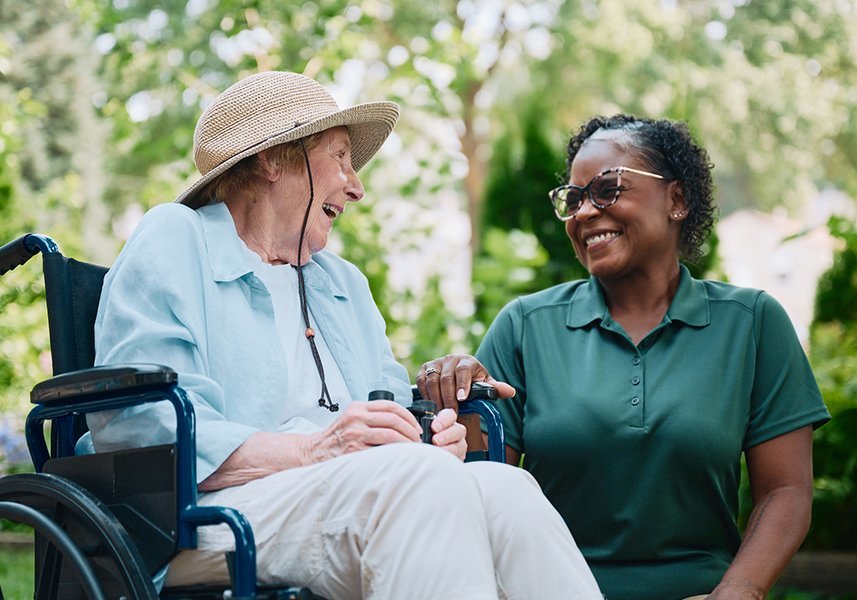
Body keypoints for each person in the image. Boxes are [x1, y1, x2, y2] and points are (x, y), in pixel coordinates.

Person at [87, 71, 602, 600]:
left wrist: (423, 437)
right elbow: (141, 425)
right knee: (417, 485)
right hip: (203, 528)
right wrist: (317, 449)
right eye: (340, 158)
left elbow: (386, 410)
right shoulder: (177, 238)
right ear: (273, 158)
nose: (356, 187)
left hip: (355, 499)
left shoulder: (341, 283)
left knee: (507, 490)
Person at [417, 115, 831, 600]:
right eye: (573, 199)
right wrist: (455, 398)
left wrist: (738, 591)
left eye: (607, 189)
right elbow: (485, 491)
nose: (585, 212)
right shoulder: (526, 326)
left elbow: (786, 491)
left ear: (676, 200)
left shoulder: (752, 323)